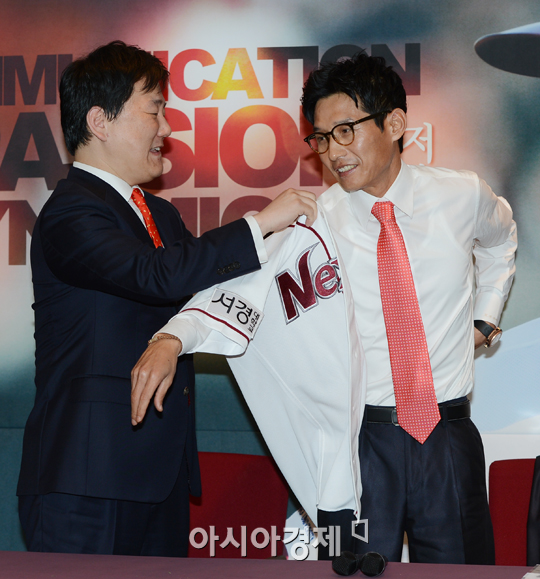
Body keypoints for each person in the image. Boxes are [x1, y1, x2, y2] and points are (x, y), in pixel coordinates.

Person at [130, 51, 517, 563]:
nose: (333, 152)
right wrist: (171, 338)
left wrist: (486, 318)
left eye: (346, 132)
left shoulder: (462, 194)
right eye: (321, 138)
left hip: (449, 439)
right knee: (346, 569)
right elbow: (237, 293)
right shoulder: (313, 226)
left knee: (464, 574)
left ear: (394, 124)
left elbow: (501, 241)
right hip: (358, 445)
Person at [16, 40, 317, 557]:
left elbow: (209, 301)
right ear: (99, 121)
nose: (168, 128)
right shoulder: (69, 213)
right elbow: (153, 275)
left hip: (162, 475)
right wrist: (261, 223)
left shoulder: (163, 216)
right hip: (88, 477)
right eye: (154, 110)